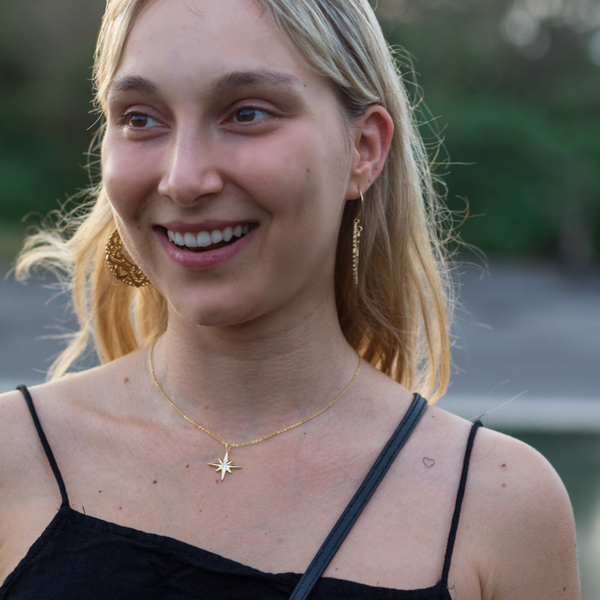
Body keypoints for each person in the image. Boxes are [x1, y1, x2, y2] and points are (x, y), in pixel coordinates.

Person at [0, 0, 579, 598]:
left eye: (247, 113)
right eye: (141, 119)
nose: (183, 179)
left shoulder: (498, 506)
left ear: (364, 148)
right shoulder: (10, 456)